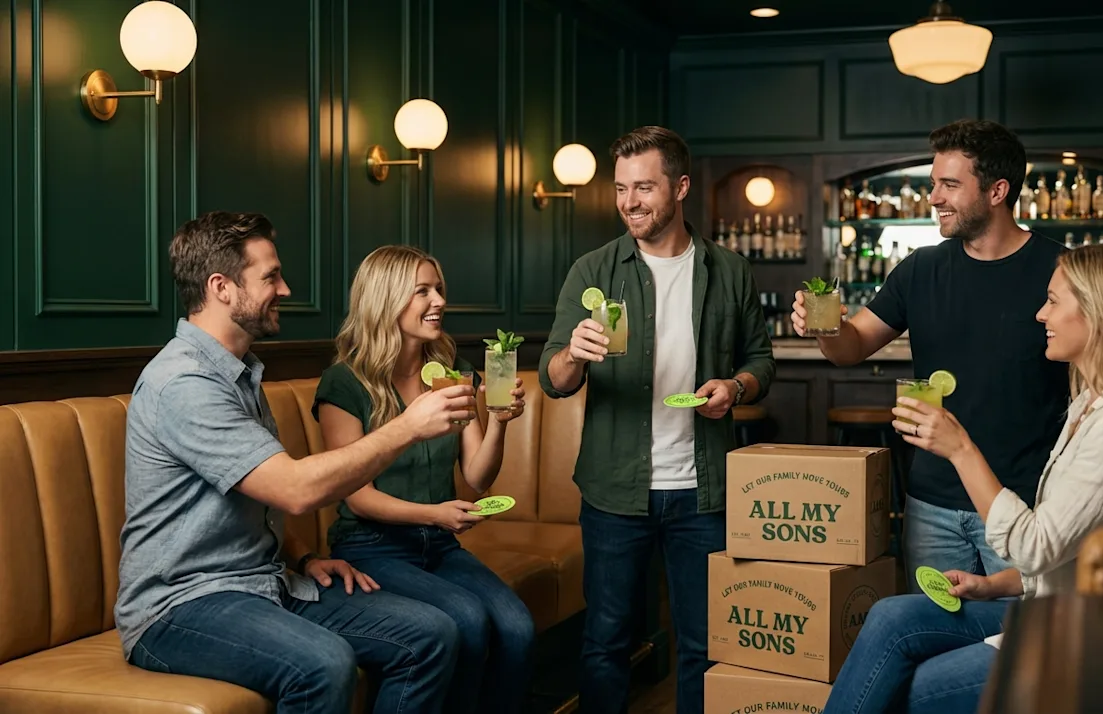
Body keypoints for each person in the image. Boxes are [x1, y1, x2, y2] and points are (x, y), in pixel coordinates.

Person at [823, 241, 1103, 713]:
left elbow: (1037, 544)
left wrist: (960, 448)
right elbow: (1073, 553)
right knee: (891, 617)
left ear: (1101, 315)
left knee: (918, 688)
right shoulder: (1091, 402)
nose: (1039, 315)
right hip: (1060, 607)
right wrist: (996, 584)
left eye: (1053, 301)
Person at [117, 211, 475, 714]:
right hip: (180, 606)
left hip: (262, 583)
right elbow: (294, 490)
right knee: (322, 664)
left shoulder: (237, 374)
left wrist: (303, 557)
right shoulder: (185, 384)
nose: (284, 289)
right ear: (221, 287)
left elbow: (250, 504)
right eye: (270, 277)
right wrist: (408, 426)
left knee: (431, 634)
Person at [539, 125, 775, 714]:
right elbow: (552, 378)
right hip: (616, 490)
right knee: (605, 642)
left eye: (644, 187)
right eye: (621, 188)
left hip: (705, 492)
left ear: (681, 187)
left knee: (704, 642)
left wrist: (737, 386)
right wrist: (574, 352)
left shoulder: (729, 270)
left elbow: (760, 361)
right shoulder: (593, 270)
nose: (629, 202)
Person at [792, 119, 1071, 587]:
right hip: (931, 504)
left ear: (997, 190)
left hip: (1022, 505)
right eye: (932, 184)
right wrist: (826, 327)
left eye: (949, 185)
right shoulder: (920, 269)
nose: (934, 198)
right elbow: (852, 347)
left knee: (1019, 645)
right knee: (930, 634)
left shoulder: (1062, 270)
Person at [313, 244, 536, 714]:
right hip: (371, 547)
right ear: (386, 299)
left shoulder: (454, 376)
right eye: (422, 291)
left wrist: (497, 419)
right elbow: (358, 498)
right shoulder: (344, 383)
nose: (437, 300)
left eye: (438, 289)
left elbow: (477, 477)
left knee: (517, 626)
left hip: (439, 546)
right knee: (469, 620)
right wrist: (434, 514)